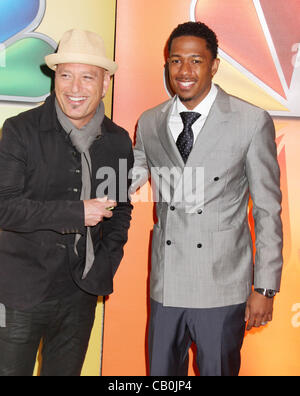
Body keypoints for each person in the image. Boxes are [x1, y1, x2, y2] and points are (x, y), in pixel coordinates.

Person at [132, 22, 283, 376]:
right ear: (166, 65)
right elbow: (129, 176)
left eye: (196, 61)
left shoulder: (250, 121)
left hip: (222, 286)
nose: (184, 71)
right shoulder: (151, 121)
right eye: (175, 61)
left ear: (214, 65)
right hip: (167, 284)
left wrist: (265, 287)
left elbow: (267, 210)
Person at [0, 29, 133, 376]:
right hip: (17, 295)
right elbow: (4, 207)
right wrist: (76, 212)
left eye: (87, 77)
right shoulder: (20, 131)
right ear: (54, 79)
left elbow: (118, 212)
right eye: (66, 75)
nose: (75, 88)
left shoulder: (116, 141)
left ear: (104, 84)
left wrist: (106, 263)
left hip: (80, 294)